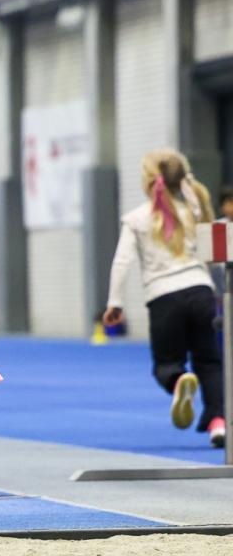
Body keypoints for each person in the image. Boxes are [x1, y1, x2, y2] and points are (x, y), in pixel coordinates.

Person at [103, 149, 224, 447]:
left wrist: (114, 303)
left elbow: (121, 262)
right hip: (201, 291)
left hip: (163, 298)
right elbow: (216, 259)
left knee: (166, 364)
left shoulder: (136, 219)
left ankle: (178, 380)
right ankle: (219, 422)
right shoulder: (196, 212)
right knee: (210, 362)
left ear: (147, 182)